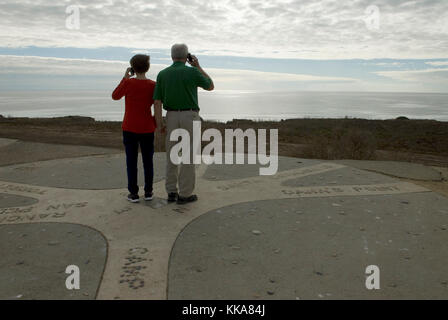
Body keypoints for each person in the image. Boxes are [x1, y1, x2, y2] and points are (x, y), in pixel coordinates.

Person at [153, 43, 214, 205]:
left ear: (172, 56)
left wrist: (159, 124)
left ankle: (171, 192)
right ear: (187, 56)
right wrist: (198, 66)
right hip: (190, 115)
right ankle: (185, 194)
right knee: (189, 156)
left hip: (171, 116)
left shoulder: (162, 74)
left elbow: (157, 102)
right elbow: (210, 85)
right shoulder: (192, 71)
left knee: (171, 155)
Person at [112, 54, 157, 203]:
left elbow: (115, 96)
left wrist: (125, 78)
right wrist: (158, 124)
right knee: (148, 161)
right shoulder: (153, 85)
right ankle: (149, 192)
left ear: (132, 67)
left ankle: (134, 193)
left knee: (131, 161)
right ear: (147, 67)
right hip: (147, 127)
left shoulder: (129, 83)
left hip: (130, 127)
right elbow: (157, 103)